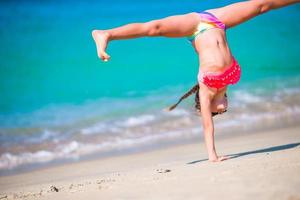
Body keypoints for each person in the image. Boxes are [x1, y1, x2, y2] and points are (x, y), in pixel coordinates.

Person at [92, 0, 300, 162]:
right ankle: (106, 34)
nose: (223, 110)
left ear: (206, 106)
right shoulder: (230, 80)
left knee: (154, 28)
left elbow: (208, 128)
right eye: (223, 110)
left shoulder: (206, 90)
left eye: (218, 112)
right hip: (217, 21)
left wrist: (212, 156)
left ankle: (106, 34)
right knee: (261, 6)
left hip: (195, 27)